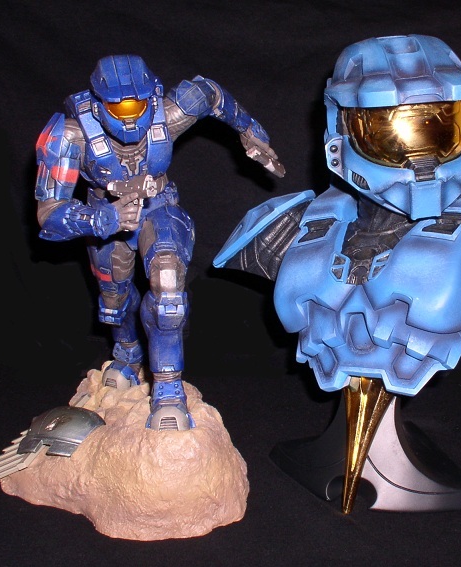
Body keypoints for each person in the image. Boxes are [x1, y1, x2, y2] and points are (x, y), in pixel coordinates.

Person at [214, 35, 461, 513]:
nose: (421, 158)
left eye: (438, 128)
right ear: (340, 141)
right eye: (390, 131)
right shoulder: (287, 228)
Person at [35, 54, 284, 431]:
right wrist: (104, 218)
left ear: (152, 97)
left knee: (168, 289)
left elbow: (210, 93)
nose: (130, 117)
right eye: (119, 107)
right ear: (98, 105)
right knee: (115, 299)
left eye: (137, 104)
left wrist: (249, 131)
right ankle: (127, 354)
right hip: (106, 214)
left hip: (159, 206)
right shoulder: (70, 136)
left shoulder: (166, 115)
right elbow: (49, 213)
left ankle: (167, 387)